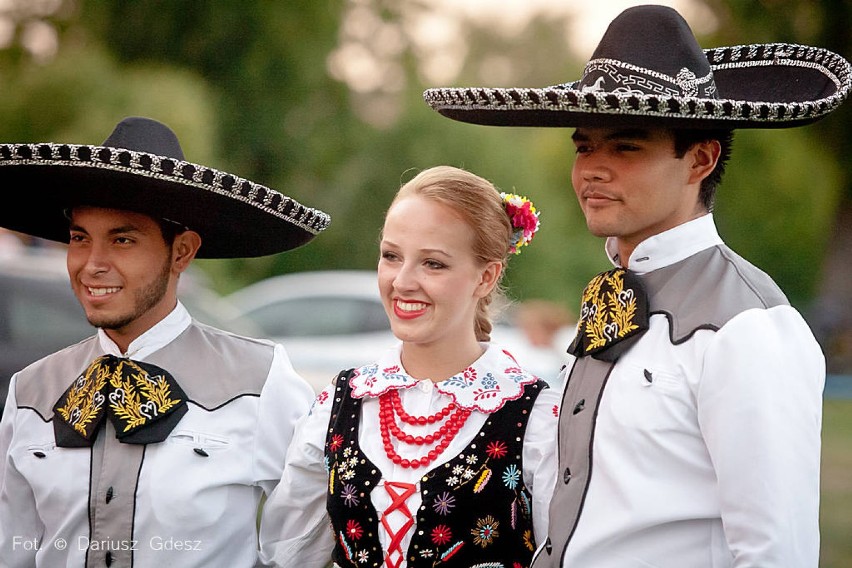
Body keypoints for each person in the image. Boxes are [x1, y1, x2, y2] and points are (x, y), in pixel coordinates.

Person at [423, 5, 851, 568]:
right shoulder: (610, 298)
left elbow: (776, 552)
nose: (592, 169)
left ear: (699, 158)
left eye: (626, 147)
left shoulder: (749, 326)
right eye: (584, 147)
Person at [0, 116, 331, 567]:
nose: (92, 264)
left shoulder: (261, 380)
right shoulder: (28, 392)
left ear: (182, 251)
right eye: (80, 238)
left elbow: (301, 550)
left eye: (122, 240)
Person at [259, 165, 559, 567]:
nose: (402, 281)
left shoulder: (535, 415)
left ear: (486, 277)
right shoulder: (341, 402)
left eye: (433, 263)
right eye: (391, 256)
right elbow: (288, 555)